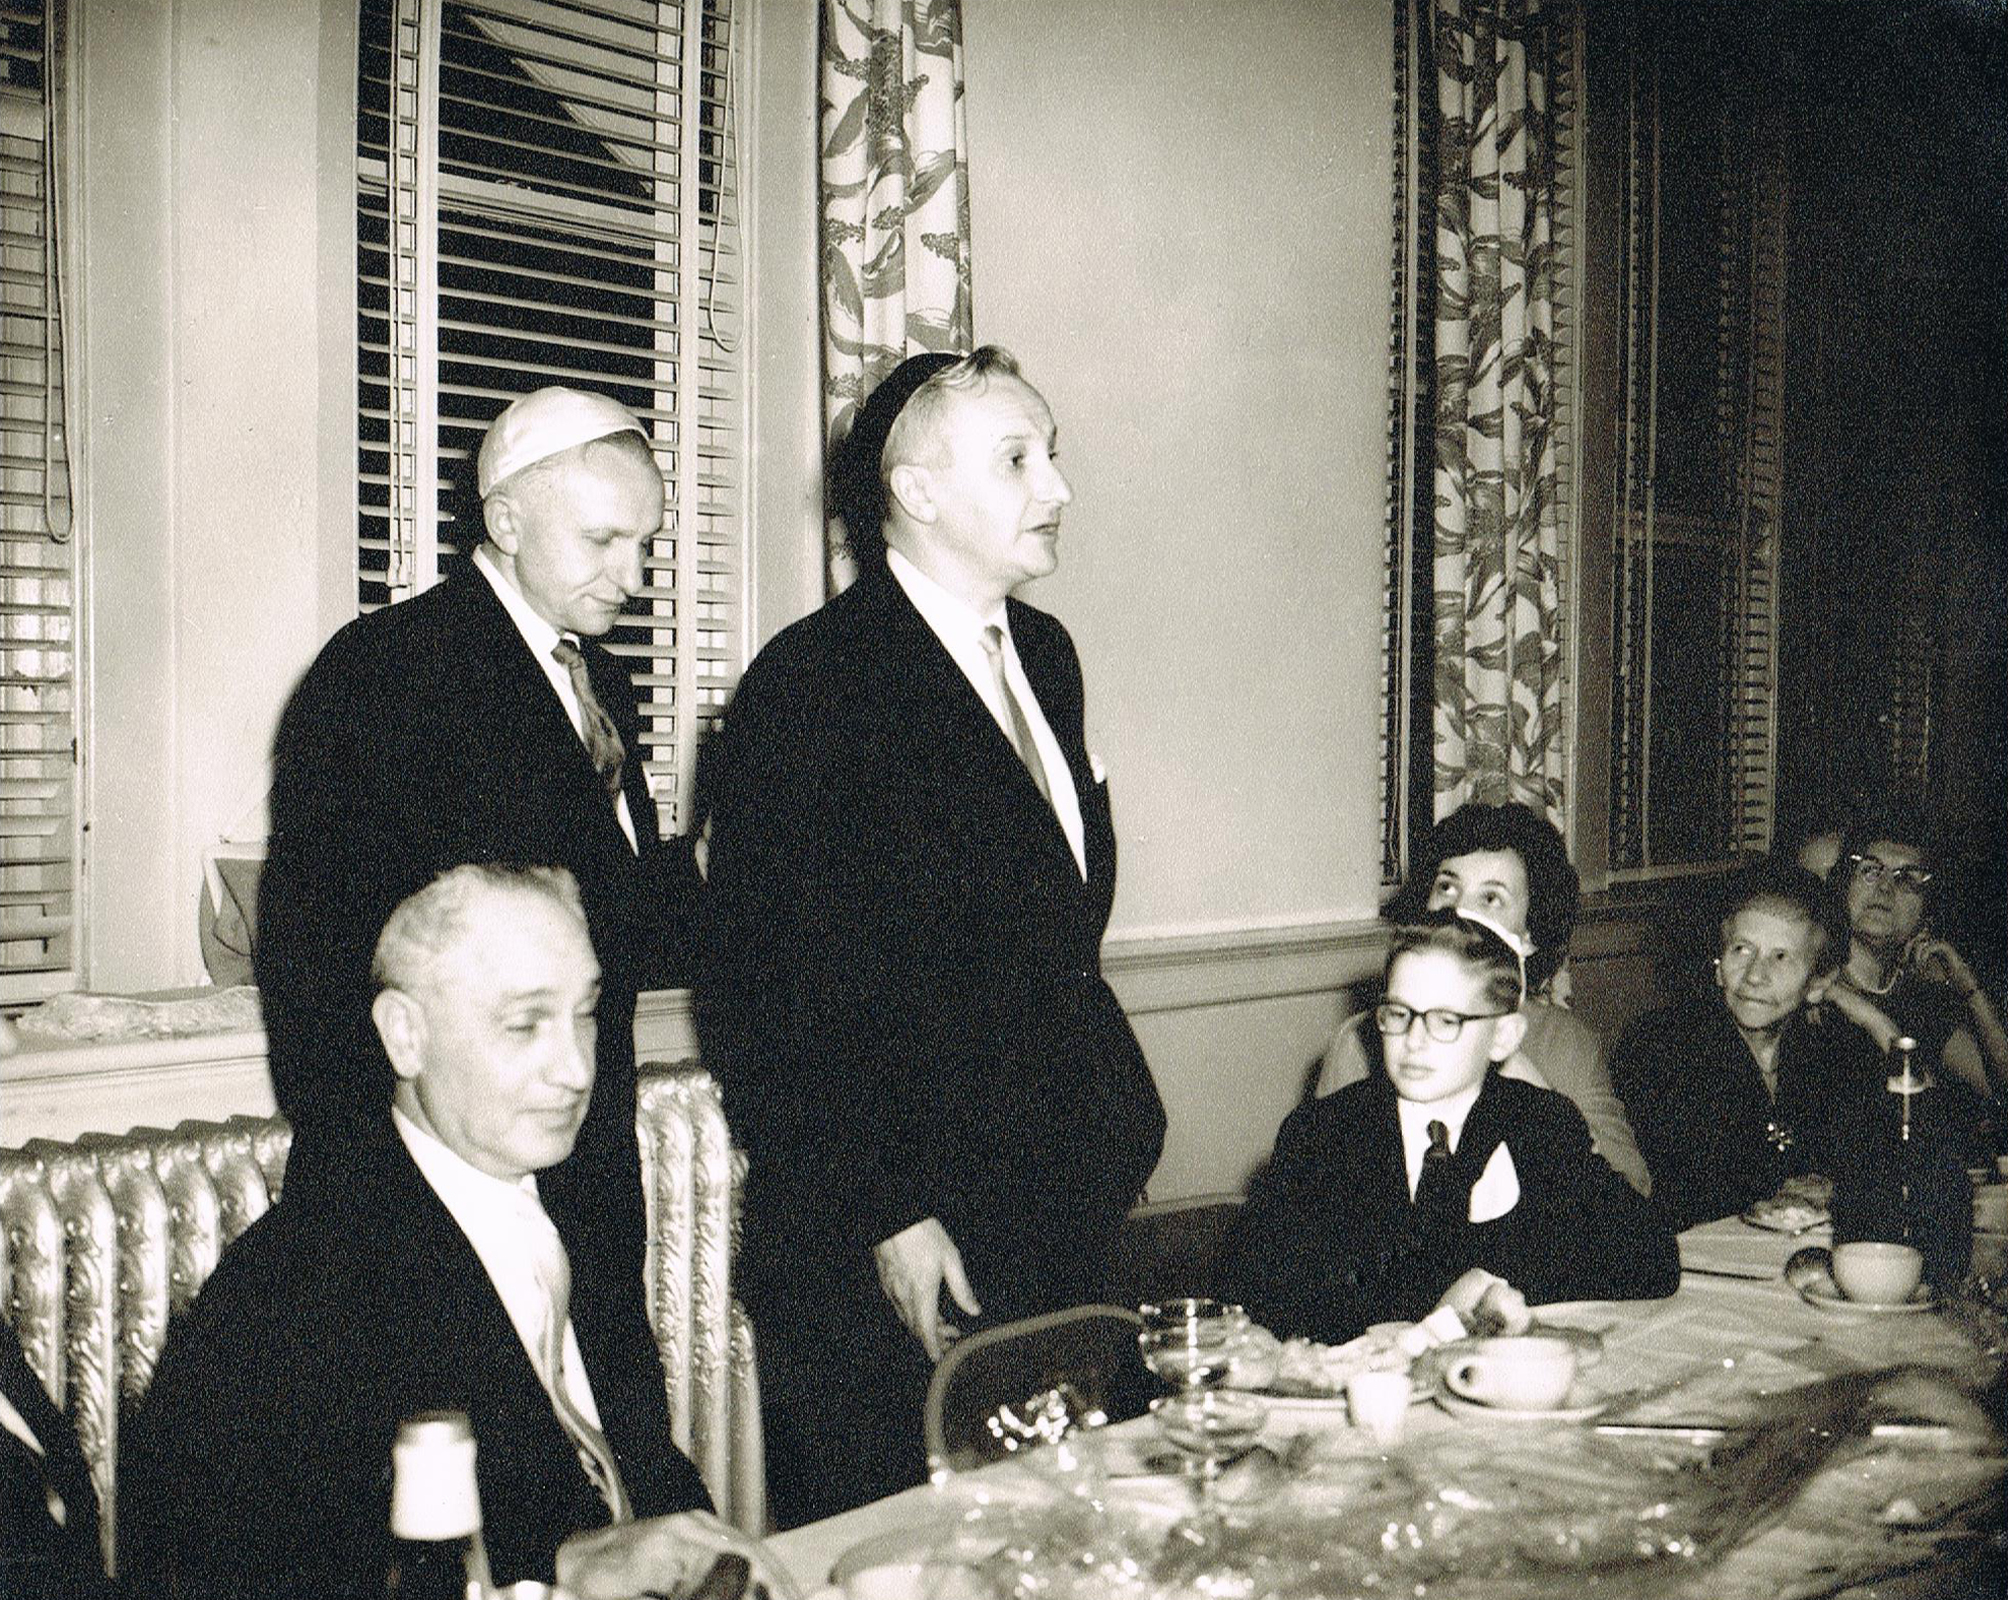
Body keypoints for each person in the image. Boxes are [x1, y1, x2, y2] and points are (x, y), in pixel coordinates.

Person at [696, 347, 1166, 1526]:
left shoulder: (1045, 656)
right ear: (914, 490)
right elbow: (767, 999)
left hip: (1048, 1205)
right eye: (1018, 458)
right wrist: (887, 1214)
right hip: (895, 1242)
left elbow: (1048, 925)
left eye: (1049, 453)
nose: (1055, 487)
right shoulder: (808, 688)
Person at [120, 865, 713, 1599]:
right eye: (525, 1023)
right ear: (406, 1036)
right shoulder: (294, 1296)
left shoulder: (571, 1216)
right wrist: (556, 1568)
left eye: (585, 1013)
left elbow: (642, 1479)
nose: (574, 1068)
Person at [256, 387, 703, 1299]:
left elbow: (603, 909)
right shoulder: (387, 668)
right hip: (430, 1195)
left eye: (645, 543)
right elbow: (318, 956)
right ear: (505, 520)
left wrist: (700, 871)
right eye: (604, 541)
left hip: (583, 1159)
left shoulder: (600, 680)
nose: (635, 574)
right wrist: (379, 1192)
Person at [1225, 911, 1678, 1344]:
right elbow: (1266, 1298)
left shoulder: (1538, 1122)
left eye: (1446, 1020)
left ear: (1502, 1037)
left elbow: (1652, 1259)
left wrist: (1498, 1262)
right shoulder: (1324, 1133)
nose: (1414, 1041)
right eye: (1399, 1014)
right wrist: (1452, 1296)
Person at [1315, 803, 1652, 1194]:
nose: (1459, 911)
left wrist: (1522, 1076)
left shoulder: (1565, 1043)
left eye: (1490, 898)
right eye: (1447, 887)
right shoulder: (1366, 1041)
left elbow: (1632, 1189)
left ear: (1529, 934)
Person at [1609, 860, 1887, 1233]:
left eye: (1781, 957)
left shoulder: (1830, 1049)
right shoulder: (1661, 1046)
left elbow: (1895, 1155)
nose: (1755, 976)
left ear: (1819, 981)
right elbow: (1680, 1194)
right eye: (1742, 949)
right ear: (1719, 963)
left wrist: (1874, 1020)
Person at [1820, 811, 2007, 1126]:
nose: (1884, 889)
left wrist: (1969, 989)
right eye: (1871, 871)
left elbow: (1999, 1090)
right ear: (1844, 886)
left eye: (1906, 879)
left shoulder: (1921, 1004)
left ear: (1925, 916)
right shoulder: (1813, 993)